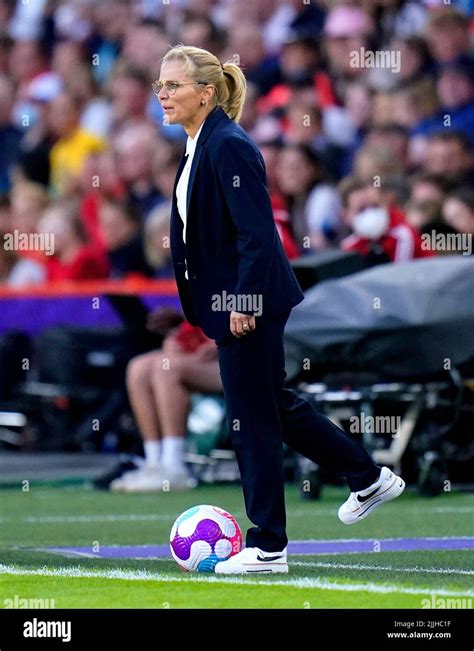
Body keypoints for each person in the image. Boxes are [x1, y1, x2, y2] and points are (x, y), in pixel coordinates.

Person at [153, 44, 406, 575]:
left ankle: (268, 547)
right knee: (272, 408)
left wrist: (243, 300)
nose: (163, 94)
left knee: (251, 421)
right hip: (229, 302)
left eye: (173, 85)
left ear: (205, 93)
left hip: (248, 303)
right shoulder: (202, 142)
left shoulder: (227, 145)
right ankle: (367, 477)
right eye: (160, 84)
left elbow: (257, 233)